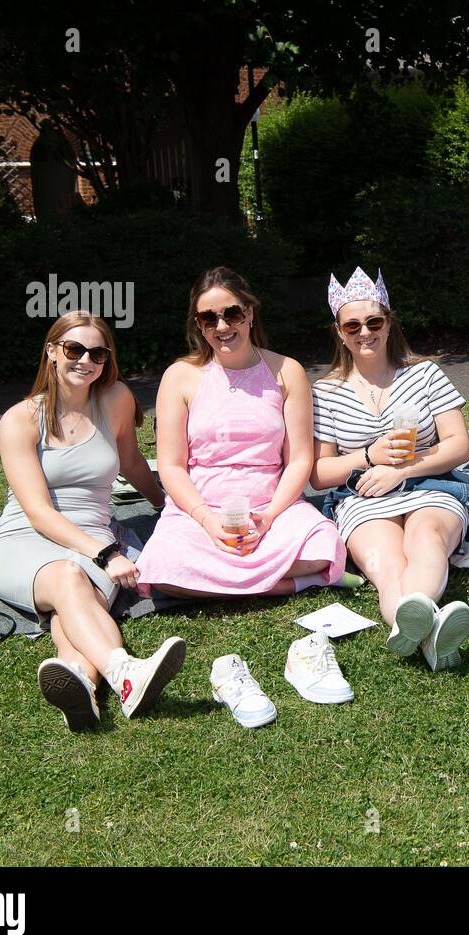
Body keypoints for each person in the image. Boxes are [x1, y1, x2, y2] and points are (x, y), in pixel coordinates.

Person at [134, 267, 349, 708]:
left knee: (323, 546)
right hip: (201, 504)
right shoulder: (180, 376)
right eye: (208, 318)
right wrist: (207, 520)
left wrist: (269, 517)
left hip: (273, 501)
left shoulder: (286, 371)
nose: (221, 326)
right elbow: (172, 466)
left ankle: (230, 576)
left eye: (231, 313)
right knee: (158, 567)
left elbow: (301, 460)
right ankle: (291, 583)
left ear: (249, 312)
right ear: (198, 324)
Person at [0, 311, 184, 731]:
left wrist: (164, 504)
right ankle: (125, 670)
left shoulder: (115, 400)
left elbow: (131, 460)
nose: (85, 360)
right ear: (52, 351)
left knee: (70, 609)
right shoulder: (19, 419)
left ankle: (82, 685)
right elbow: (38, 513)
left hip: (93, 532)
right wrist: (108, 552)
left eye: (97, 352)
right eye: (74, 349)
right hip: (25, 539)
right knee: (68, 577)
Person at [311, 267, 469, 671]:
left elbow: (459, 444)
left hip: (431, 483)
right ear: (339, 332)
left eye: (373, 321)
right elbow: (319, 473)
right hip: (362, 493)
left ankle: (415, 629)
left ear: (388, 323)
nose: (364, 332)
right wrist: (370, 455)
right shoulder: (326, 392)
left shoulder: (424, 373)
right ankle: (431, 636)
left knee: (426, 540)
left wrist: (402, 470)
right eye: (352, 325)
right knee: (387, 565)